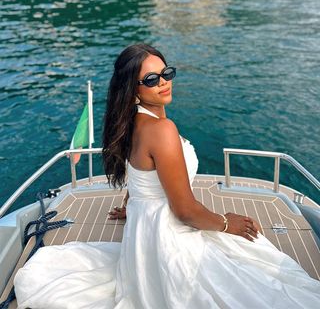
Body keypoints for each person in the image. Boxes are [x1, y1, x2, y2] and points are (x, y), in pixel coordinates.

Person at [14, 43, 320, 308]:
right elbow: (185, 212)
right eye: (151, 79)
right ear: (133, 89)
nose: (163, 82)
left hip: (146, 234)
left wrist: (133, 203)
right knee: (260, 279)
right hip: (168, 239)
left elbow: (138, 171)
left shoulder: (131, 121)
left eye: (166, 73)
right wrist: (228, 223)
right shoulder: (161, 130)